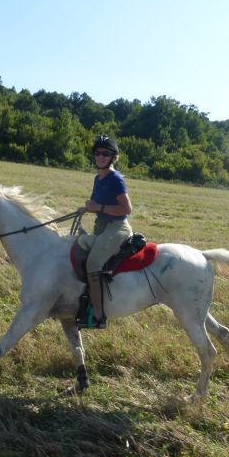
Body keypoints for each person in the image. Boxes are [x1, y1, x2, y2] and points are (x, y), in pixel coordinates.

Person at [82, 135, 133, 327]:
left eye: (106, 153)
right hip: (102, 227)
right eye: (98, 153)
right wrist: (87, 208)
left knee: (93, 263)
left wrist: (99, 207)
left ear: (113, 157)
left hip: (118, 228)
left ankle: (98, 314)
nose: (101, 156)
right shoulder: (98, 178)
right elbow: (99, 204)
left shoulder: (115, 179)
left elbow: (127, 210)